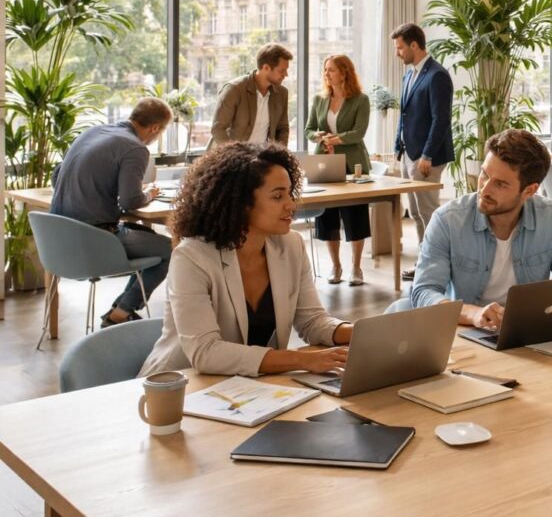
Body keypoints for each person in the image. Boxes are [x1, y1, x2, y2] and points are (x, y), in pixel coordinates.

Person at [139, 143, 352, 377]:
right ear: (240, 203)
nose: (291, 205)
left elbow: (312, 321)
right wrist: (302, 359)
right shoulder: (191, 257)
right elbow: (205, 352)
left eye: (290, 193)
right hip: (179, 388)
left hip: (249, 391)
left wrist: (362, 333)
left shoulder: (291, 246)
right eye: (278, 196)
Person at [390, 129, 552, 329]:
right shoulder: (447, 220)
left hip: (524, 330)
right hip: (464, 331)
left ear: (530, 190)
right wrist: (473, 313)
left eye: (500, 184)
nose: (484, 189)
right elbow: (424, 291)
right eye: (484, 173)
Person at [50, 98, 174, 328]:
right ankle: (121, 312)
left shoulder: (93, 132)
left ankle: (120, 310)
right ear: (155, 128)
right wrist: (149, 194)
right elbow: (130, 201)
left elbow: (56, 177)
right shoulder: (135, 148)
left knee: (142, 233)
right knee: (172, 248)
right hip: (92, 239)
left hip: (57, 240)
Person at [392, 22, 455, 281]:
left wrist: (427, 155)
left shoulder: (437, 75)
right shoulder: (409, 75)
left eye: (400, 48)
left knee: (429, 213)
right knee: (416, 212)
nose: (398, 53)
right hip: (409, 154)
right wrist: (398, 144)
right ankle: (423, 261)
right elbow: (404, 115)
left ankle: (435, 266)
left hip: (427, 158)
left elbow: (441, 119)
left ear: (414, 46)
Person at [304, 54, 371, 286]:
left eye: (331, 69)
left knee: (355, 217)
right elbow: (308, 129)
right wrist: (319, 136)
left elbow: (359, 132)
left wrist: (336, 140)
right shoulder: (319, 99)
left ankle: (356, 268)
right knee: (328, 218)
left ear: (344, 72)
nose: (327, 74)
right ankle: (336, 266)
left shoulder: (360, 100)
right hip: (325, 164)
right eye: (325, 70)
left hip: (353, 165)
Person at [209, 43, 293, 147]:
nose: (286, 75)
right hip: (232, 159)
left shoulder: (282, 94)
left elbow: (282, 129)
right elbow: (218, 129)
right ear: (266, 67)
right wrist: (234, 156)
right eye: (282, 71)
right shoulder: (234, 90)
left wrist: (280, 155)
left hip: (262, 159)